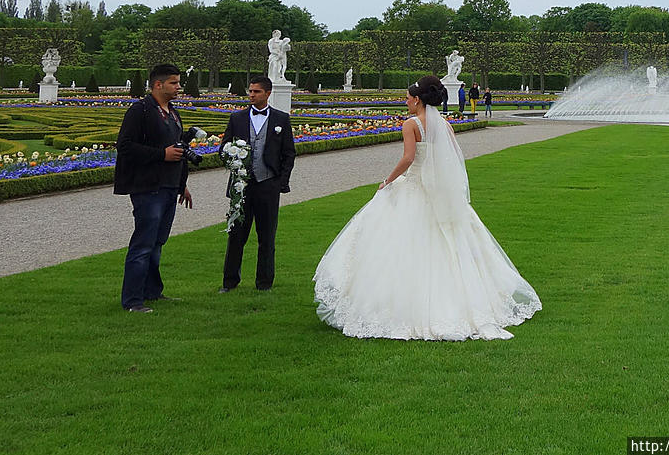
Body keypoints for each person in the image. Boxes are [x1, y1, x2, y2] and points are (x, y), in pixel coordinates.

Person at [314, 75, 541, 340]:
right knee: (451, 245)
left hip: (414, 188)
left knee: (400, 244)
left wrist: (387, 180)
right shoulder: (445, 125)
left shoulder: (410, 124)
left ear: (418, 99)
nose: (406, 103)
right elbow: (453, 159)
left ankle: (404, 306)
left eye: (408, 99)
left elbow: (409, 158)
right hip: (439, 192)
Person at [114, 64, 194, 313]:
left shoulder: (172, 112)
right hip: (148, 186)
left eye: (178, 82)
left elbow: (177, 148)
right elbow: (125, 146)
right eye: (174, 83)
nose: (179, 87)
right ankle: (132, 300)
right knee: (143, 243)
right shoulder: (140, 111)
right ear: (158, 85)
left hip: (169, 185)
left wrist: (183, 184)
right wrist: (161, 154)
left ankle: (151, 291)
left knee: (157, 242)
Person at [219, 76, 296, 292]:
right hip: (240, 187)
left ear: (268, 93)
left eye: (256, 92)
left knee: (267, 237)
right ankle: (229, 282)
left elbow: (289, 153)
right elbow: (223, 149)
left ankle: (264, 283)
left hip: (267, 185)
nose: (251, 95)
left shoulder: (282, 119)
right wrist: (233, 160)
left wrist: (280, 181)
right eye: (250, 91)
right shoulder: (237, 118)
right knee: (236, 236)